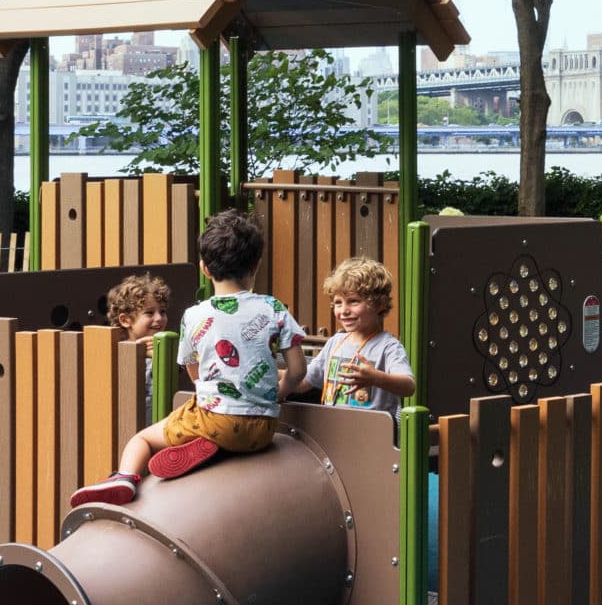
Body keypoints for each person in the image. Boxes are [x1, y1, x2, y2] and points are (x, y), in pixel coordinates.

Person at [71, 210, 304, 507]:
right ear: (257, 263)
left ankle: (125, 478)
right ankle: (211, 445)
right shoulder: (273, 308)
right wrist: (277, 395)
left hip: (215, 419)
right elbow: (297, 370)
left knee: (141, 439)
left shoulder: (194, 316)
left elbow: (196, 376)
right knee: (219, 421)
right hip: (262, 430)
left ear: (205, 269)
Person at [297, 257, 415, 418]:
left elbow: (408, 386)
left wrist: (375, 378)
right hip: (333, 429)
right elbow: (304, 381)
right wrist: (271, 374)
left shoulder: (388, 346)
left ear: (380, 304)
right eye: (338, 303)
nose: (343, 310)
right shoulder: (335, 342)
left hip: (370, 433)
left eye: (353, 301)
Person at [104, 272, 173, 424]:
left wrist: (160, 357)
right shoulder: (116, 353)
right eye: (149, 313)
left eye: (162, 311)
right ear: (125, 320)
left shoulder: (170, 348)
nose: (159, 318)